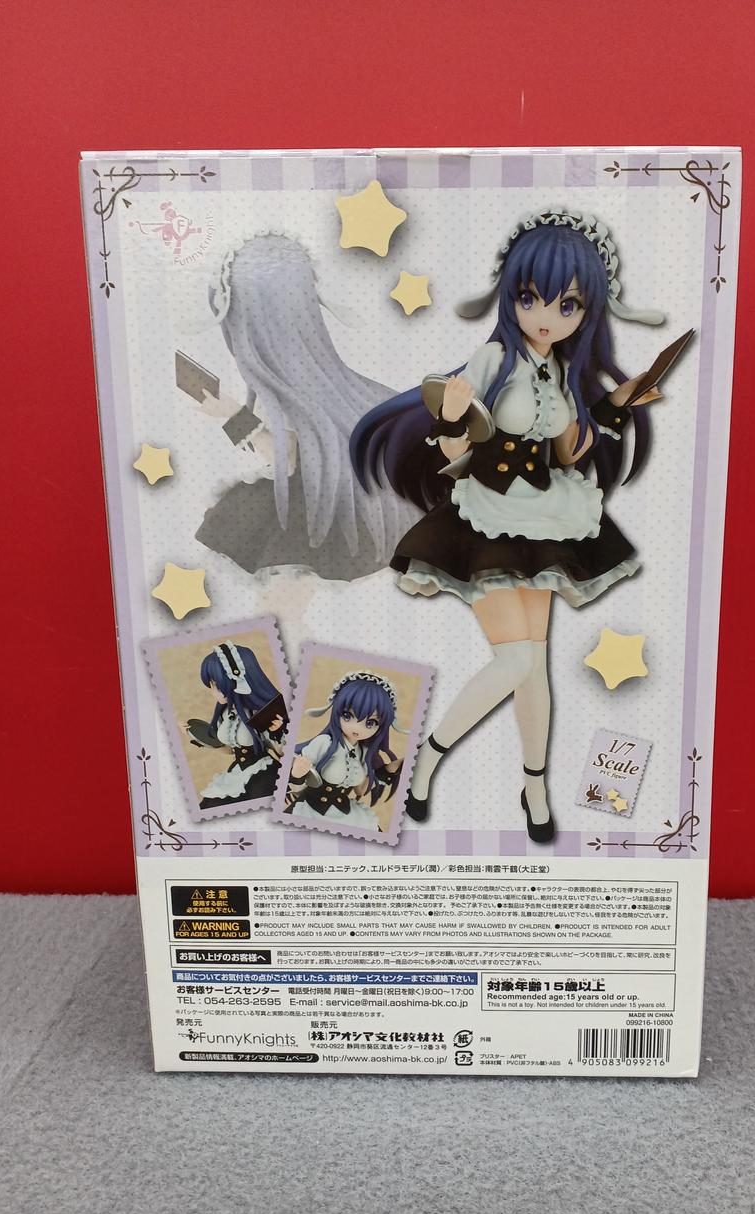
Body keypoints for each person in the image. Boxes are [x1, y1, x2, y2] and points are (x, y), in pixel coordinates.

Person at [351, 208, 667, 843]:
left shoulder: (563, 370)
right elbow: (453, 435)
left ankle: (535, 788)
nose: (546, 315)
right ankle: (427, 760)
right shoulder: (494, 356)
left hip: (545, 516)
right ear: (511, 296)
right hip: (488, 518)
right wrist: (451, 418)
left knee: (533, 665)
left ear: (586, 311)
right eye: (530, 298)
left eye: (567, 305)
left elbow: (568, 451)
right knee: (517, 659)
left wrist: (616, 405)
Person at [193, 233, 417, 579]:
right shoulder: (337, 387)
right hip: (352, 514)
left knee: (235, 522)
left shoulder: (283, 386)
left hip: (317, 519)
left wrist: (232, 416)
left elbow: (286, 457)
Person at [286, 671, 403, 831]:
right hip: (312, 810)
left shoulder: (363, 751)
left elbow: (360, 789)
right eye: (348, 716)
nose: (357, 728)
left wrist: (388, 771)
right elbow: (296, 788)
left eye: (370, 723)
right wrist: (297, 774)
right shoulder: (324, 743)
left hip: (345, 811)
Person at [189, 643, 286, 809]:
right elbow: (230, 750)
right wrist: (199, 738)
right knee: (209, 806)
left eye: (215, 684)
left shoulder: (260, 712)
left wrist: (276, 732)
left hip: (264, 774)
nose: (211, 690)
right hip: (237, 771)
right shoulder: (225, 712)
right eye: (210, 684)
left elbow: (282, 753)